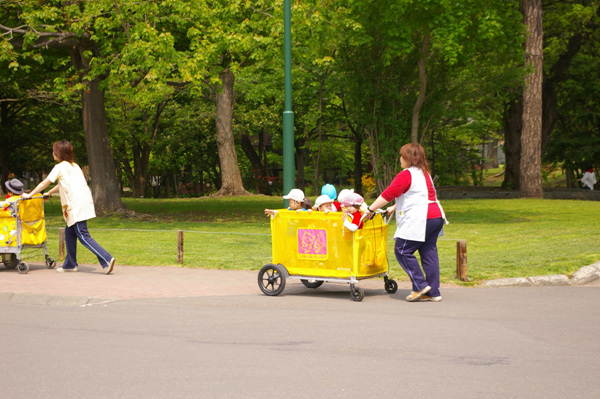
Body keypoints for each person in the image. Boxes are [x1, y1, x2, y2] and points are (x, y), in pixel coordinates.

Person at [364, 143, 447, 302]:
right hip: (436, 217)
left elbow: (389, 193)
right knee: (429, 252)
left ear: (409, 159)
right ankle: (433, 292)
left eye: (402, 156)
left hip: (421, 218)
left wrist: (371, 209)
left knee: (402, 250)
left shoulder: (406, 174)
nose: (400, 159)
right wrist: (396, 206)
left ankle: (420, 286)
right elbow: (419, 195)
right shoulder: (425, 173)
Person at [22, 140, 116, 274]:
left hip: (75, 204)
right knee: (69, 232)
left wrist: (29, 194)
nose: (53, 153)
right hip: (83, 201)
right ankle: (70, 264)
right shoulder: (75, 166)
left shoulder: (59, 167)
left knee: (83, 235)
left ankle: (107, 259)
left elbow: (44, 183)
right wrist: (49, 193)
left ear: (58, 153)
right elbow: (62, 182)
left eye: (54, 151)